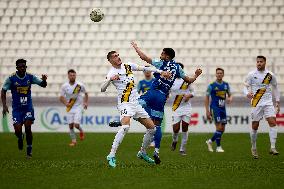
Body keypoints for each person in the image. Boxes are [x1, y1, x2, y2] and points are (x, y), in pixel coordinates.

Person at [131, 41, 202, 164]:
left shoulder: (161, 63)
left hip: (153, 92)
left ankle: (122, 122)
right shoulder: (178, 68)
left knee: (134, 107)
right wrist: (196, 75)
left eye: (162, 53)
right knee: (156, 125)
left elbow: (144, 58)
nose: (161, 54)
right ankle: (155, 151)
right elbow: (189, 80)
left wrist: (136, 47)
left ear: (167, 56)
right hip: (162, 97)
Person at [101, 50, 171, 168]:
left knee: (152, 128)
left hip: (136, 103)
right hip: (125, 103)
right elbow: (102, 89)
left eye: (118, 55)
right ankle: (111, 155)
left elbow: (145, 68)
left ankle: (142, 152)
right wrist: (110, 79)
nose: (118, 57)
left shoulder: (128, 66)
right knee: (125, 127)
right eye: (115, 56)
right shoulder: (111, 73)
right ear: (110, 60)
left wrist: (161, 71)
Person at [1, 59, 47, 158]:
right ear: (17, 68)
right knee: (17, 130)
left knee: (27, 127)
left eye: (24, 67)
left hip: (28, 108)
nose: (23, 68)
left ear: (26, 67)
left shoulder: (30, 77)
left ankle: (29, 150)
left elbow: (43, 85)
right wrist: (4, 105)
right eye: (20, 67)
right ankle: (20, 137)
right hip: (17, 109)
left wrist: (44, 80)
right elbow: (3, 90)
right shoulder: (11, 78)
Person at [244, 55, 280, 159]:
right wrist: (247, 93)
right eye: (258, 61)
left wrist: (277, 102)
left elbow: (275, 88)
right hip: (256, 103)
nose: (259, 63)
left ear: (265, 62)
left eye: (261, 61)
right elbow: (245, 87)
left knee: (272, 122)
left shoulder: (270, 75)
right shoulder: (251, 74)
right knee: (255, 126)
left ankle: (272, 147)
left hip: (268, 102)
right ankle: (254, 147)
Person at [205, 68, 232, 153]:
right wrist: (207, 111)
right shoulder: (211, 85)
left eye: (221, 73)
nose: (219, 74)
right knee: (219, 127)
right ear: (216, 74)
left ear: (223, 74)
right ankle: (218, 147)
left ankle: (209, 141)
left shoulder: (226, 85)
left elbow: (230, 94)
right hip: (215, 108)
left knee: (222, 129)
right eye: (218, 73)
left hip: (223, 108)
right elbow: (206, 98)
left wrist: (230, 98)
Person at [170, 63, 195, 156]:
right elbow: (167, 92)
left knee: (185, 127)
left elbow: (193, 91)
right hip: (176, 107)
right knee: (176, 129)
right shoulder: (170, 81)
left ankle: (182, 149)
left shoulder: (186, 80)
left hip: (186, 107)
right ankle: (174, 140)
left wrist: (190, 95)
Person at [59, 69, 88, 146]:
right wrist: (66, 103)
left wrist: (85, 102)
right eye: (71, 75)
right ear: (68, 76)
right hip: (70, 107)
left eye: (74, 75)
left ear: (75, 75)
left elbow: (86, 94)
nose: (72, 76)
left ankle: (81, 131)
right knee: (70, 126)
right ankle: (74, 141)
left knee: (76, 125)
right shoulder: (64, 86)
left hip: (78, 107)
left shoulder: (80, 85)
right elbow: (61, 97)